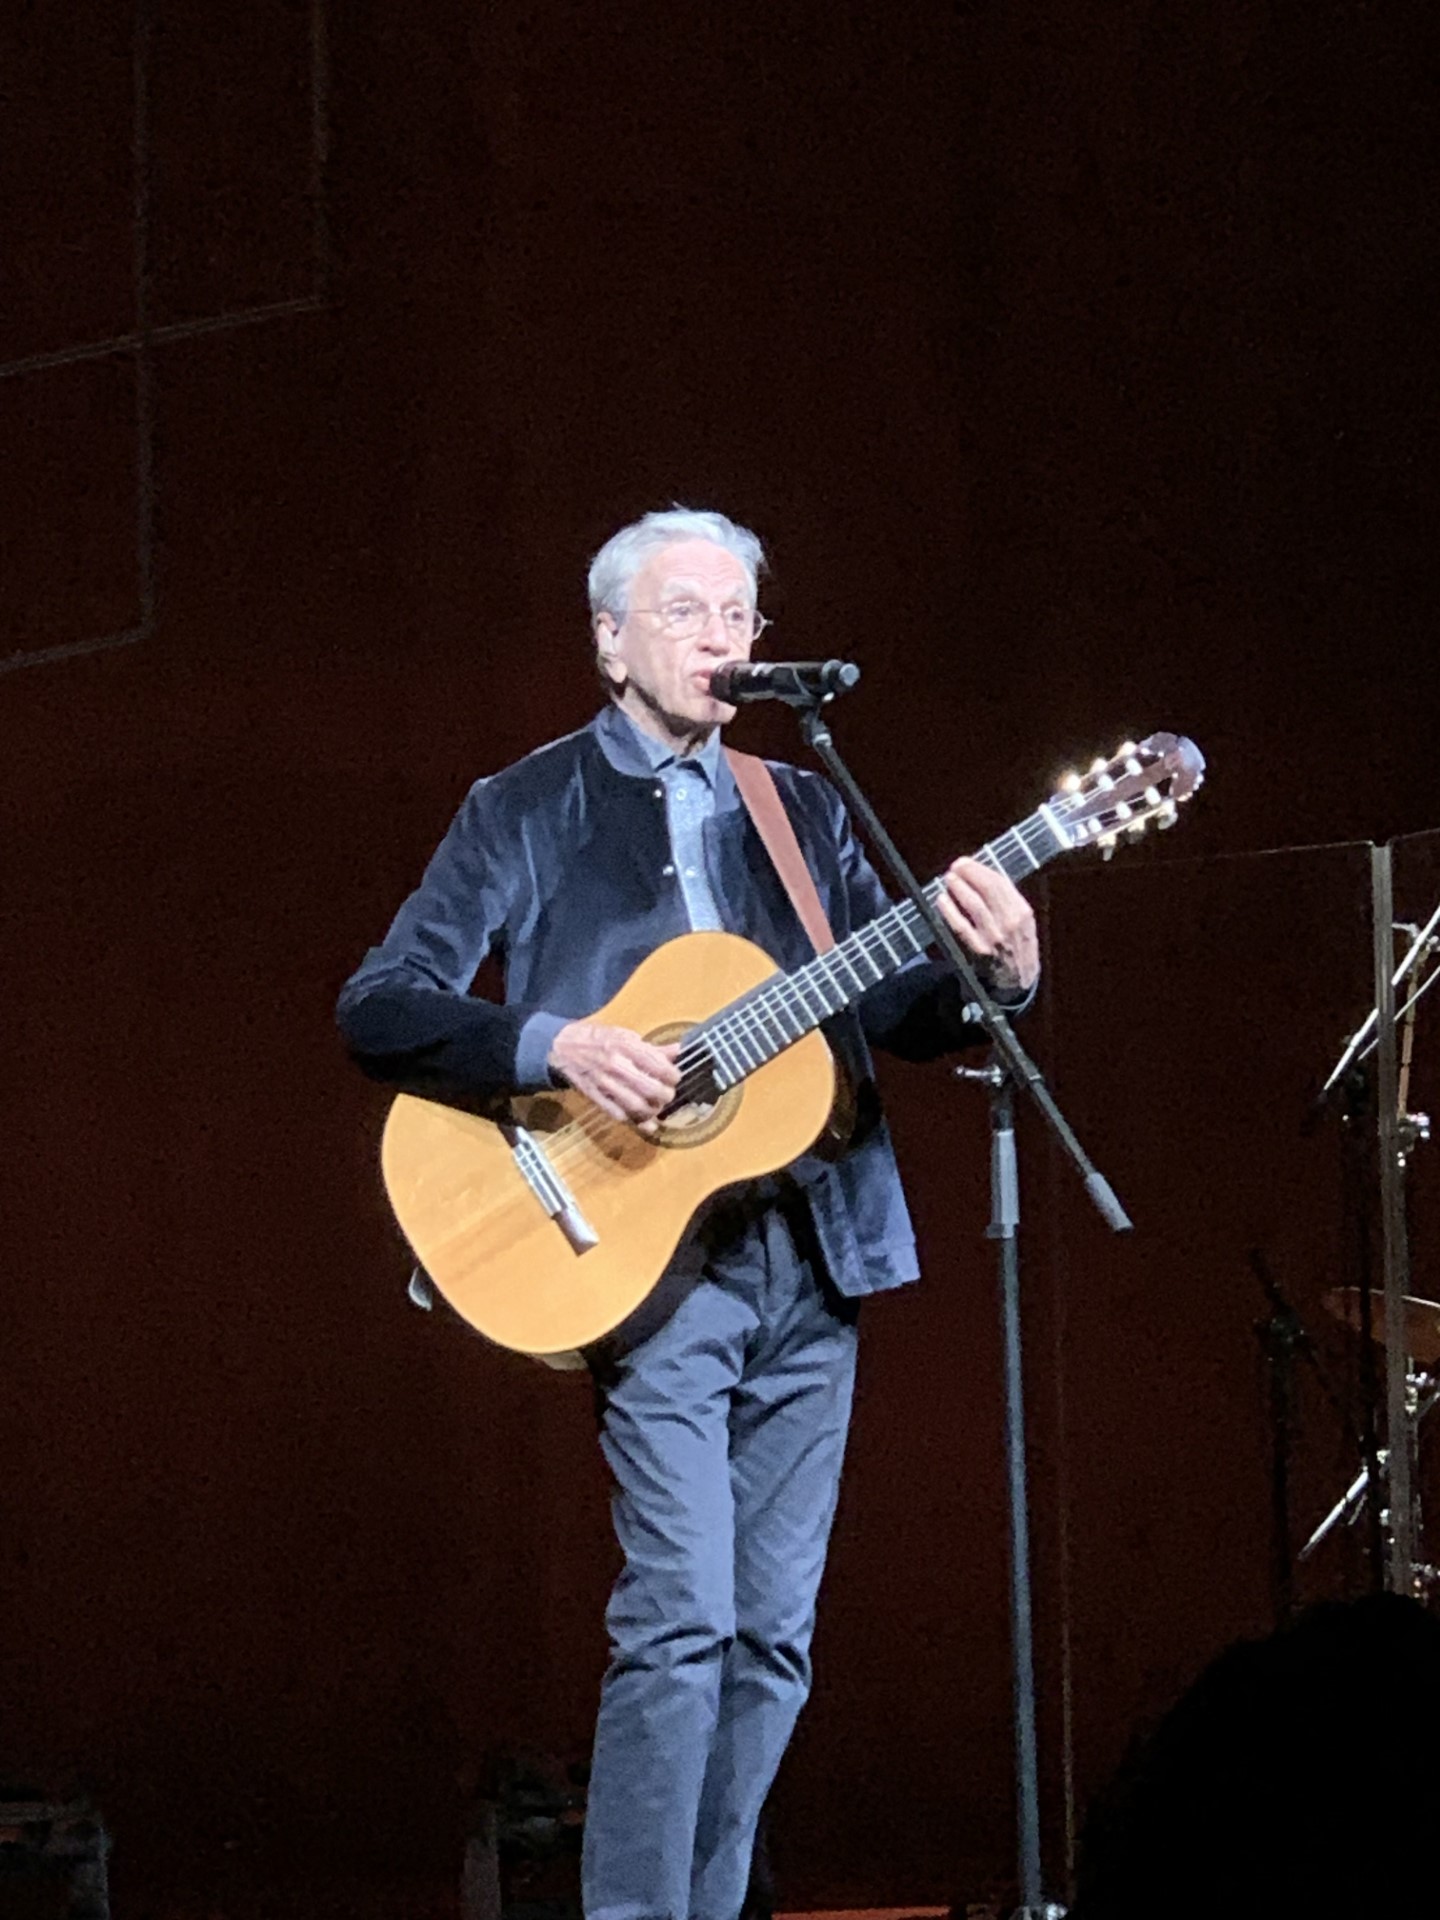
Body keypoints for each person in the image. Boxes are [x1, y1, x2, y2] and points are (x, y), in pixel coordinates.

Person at [336, 508, 1039, 1920]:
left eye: (741, 616)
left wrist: (994, 981)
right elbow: (381, 1006)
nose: (724, 639)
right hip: (645, 1259)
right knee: (683, 1621)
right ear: (610, 641)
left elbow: (891, 1008)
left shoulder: (808, 807)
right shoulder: (523, 809)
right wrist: (555, 1047)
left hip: (816, 1245)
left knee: (774, 1638)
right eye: (687, 613)